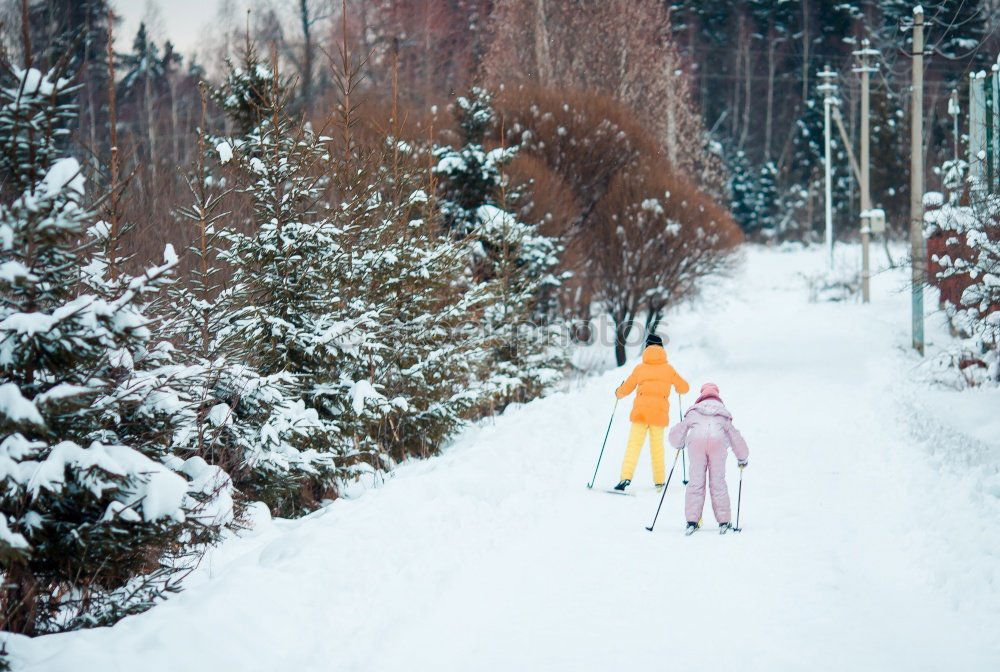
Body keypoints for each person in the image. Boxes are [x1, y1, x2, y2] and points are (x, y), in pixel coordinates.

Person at [668, 383, 749, 534]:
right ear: (717, 397)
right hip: (717, 443)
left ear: (701, 396)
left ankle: (692, 521)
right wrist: (742, 458)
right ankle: (724, 521)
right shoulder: (722, 413)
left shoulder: (694, 412)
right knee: (718, 482)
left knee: (695, 481)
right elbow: (735, 437)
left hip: (696, 443)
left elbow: (677, 434)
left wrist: (679, 443)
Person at [612, 334, 689, 492]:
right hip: (659, 416)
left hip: (640, 414)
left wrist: (618, 392)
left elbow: (626, 388)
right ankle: (660, 481)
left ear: (647, 348)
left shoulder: (640, 368)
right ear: (661, 348)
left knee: (633, 446)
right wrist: (677, 388)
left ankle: (625, 478)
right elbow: (684, 387)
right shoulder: (668, 369)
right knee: (657, 448)